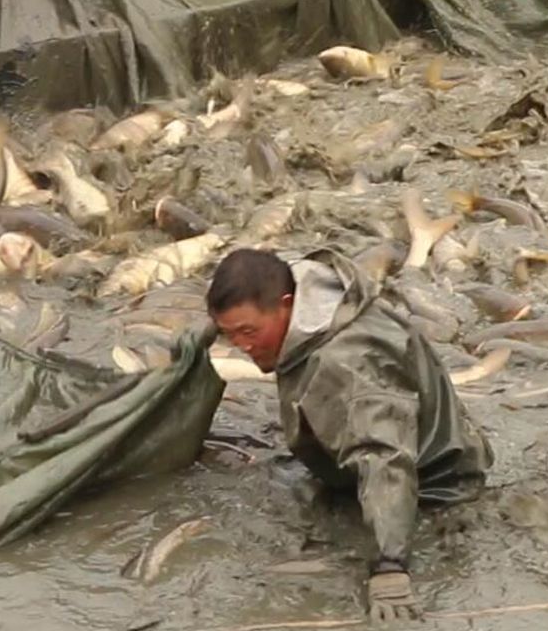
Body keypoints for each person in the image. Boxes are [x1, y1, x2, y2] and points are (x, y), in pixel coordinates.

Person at [207, 248, 493, 624]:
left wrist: (390, 566)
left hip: (433, 484)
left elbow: (384, 457)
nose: (242, 347)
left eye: (248, 332)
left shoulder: (347, 362)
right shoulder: (309, 293)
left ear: (287, 306)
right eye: (230, 335)